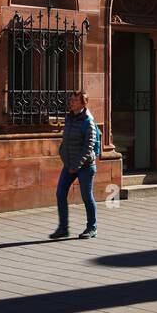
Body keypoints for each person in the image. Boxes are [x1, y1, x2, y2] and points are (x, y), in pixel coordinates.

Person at [49, 90, 98, 240]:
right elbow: (66, 140)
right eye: (70, 100)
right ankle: (63, 228)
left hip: (85, 166)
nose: (71, 102)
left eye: (75, 100)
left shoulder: (87, 121)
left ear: (83, 103)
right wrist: (63, 154)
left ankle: (92, 227)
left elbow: (88, 146)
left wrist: (76, 165)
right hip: (69, 164)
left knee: (86, 197)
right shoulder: (69, 117)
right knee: (60, 193)